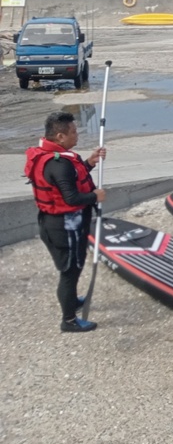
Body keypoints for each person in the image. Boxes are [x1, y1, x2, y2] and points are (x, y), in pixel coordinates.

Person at [24, 111, 107, 333]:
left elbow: (71, 181)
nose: (76, 135)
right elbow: (71, 197)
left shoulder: (56, 156)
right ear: (60, 136)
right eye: (73, 132)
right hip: (63, 227)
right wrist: (95, 196)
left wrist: (90, 162)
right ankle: (68, 320)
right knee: (70, 271)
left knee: (74, 268)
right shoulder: (59, 164)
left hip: (61, 223)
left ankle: (72, 301)